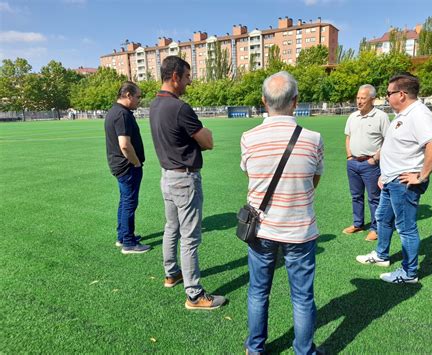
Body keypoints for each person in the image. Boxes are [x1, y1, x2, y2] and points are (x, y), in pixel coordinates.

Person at [240, 71, 324, 354]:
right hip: (300, 228)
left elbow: (251, 175)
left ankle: (255, 348)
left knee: (258, 292)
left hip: (261, 228)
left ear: (264, 101)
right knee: (302, 297)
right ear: (295, 101)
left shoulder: (249, 137)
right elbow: (314, 179)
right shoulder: (313, 138)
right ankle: (304, 350)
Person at [149, 56, 226, 310]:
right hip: (184, 177)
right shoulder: (180, 108)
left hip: (167, 176)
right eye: (187, 77)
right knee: (190, 238)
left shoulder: (154, 105)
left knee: (171, 227)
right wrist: (205, 136)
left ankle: (172, 273)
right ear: (175, 76)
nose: (189, 82)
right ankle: (194, 294)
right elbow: (208, 142)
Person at [356, 73, 432, 283]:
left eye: (388, 93)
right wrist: (385, 173)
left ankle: (409, 273)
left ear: (402, 94)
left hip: (403, 183)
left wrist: (421, 177)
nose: (386, 97)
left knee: (406, 228)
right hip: (391, 179)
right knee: (383, 219)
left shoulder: (418, 115)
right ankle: (381, 255)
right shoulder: (404, 114)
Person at [104, 81, 151, 254]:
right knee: (129, 203)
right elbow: (124, 145)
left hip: (120, 165)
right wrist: (136, 162)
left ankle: (122, 236)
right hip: (127, 166)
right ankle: (129, 243)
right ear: (128, 95)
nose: (139, 100)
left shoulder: (114, 112)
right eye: (138, 97)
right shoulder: (122, 114)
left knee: (125, 201)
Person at [343, 84, 390, 241]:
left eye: (363, 98)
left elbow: (388, 141)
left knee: (374, 198)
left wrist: (375, 158)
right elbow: (348, 137)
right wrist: (349, 156)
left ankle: (376, 228)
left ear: (372, 99)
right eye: (358, 97)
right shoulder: (352, 117)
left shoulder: (381, 117)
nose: (359, 101)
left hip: (371, 165)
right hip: (353, 163)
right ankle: (358, 224)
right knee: (356, 196)